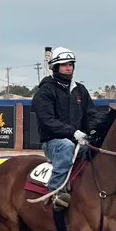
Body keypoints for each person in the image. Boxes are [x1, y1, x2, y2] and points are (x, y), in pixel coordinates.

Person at [32, 46, 96, 208]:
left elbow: (91, 115)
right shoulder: (45, 91)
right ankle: (55, 193)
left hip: (78, 140)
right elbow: (48, 120)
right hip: (53, 142)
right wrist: (72, 132)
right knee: (66, 146)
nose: (69, 68)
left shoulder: (80, 90)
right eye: (64, 65)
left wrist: (95, 131)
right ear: (55, 67)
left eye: (71, 64)